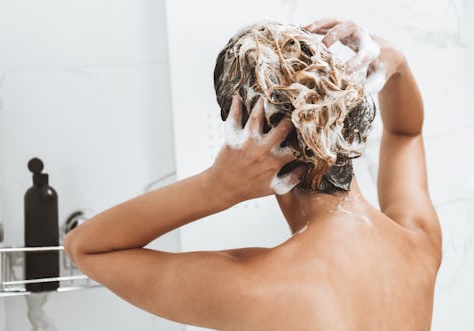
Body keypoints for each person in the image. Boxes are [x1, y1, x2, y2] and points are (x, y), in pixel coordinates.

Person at [64, 18, 442, 331]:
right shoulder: (417, 244)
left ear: (247, 140)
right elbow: (406, 133)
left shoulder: (256, 287)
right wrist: (398, 65)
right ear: (343, 118)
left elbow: (86, 248)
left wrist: (216, 188)